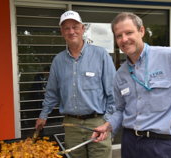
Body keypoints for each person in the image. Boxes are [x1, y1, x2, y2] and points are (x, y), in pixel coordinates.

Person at [92, 12, 171, 158]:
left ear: (141, 31)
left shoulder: (170, 57)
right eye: (119, 35)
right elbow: (121, 109)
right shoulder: (120, 73)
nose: (124, 39)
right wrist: (108, 125)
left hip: (162, 145)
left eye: (129, 32)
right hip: (129, 144)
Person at [35, 10, 116, 158]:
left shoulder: (101, 55)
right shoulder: (58, 61)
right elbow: (52, 93)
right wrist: (43, 115)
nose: (71, 31)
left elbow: (113, 93)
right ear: (62, 32)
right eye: (66, 28)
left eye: (75, 27)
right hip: (71, 126)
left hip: (97, 122)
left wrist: (108, 122)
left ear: (83, 28)